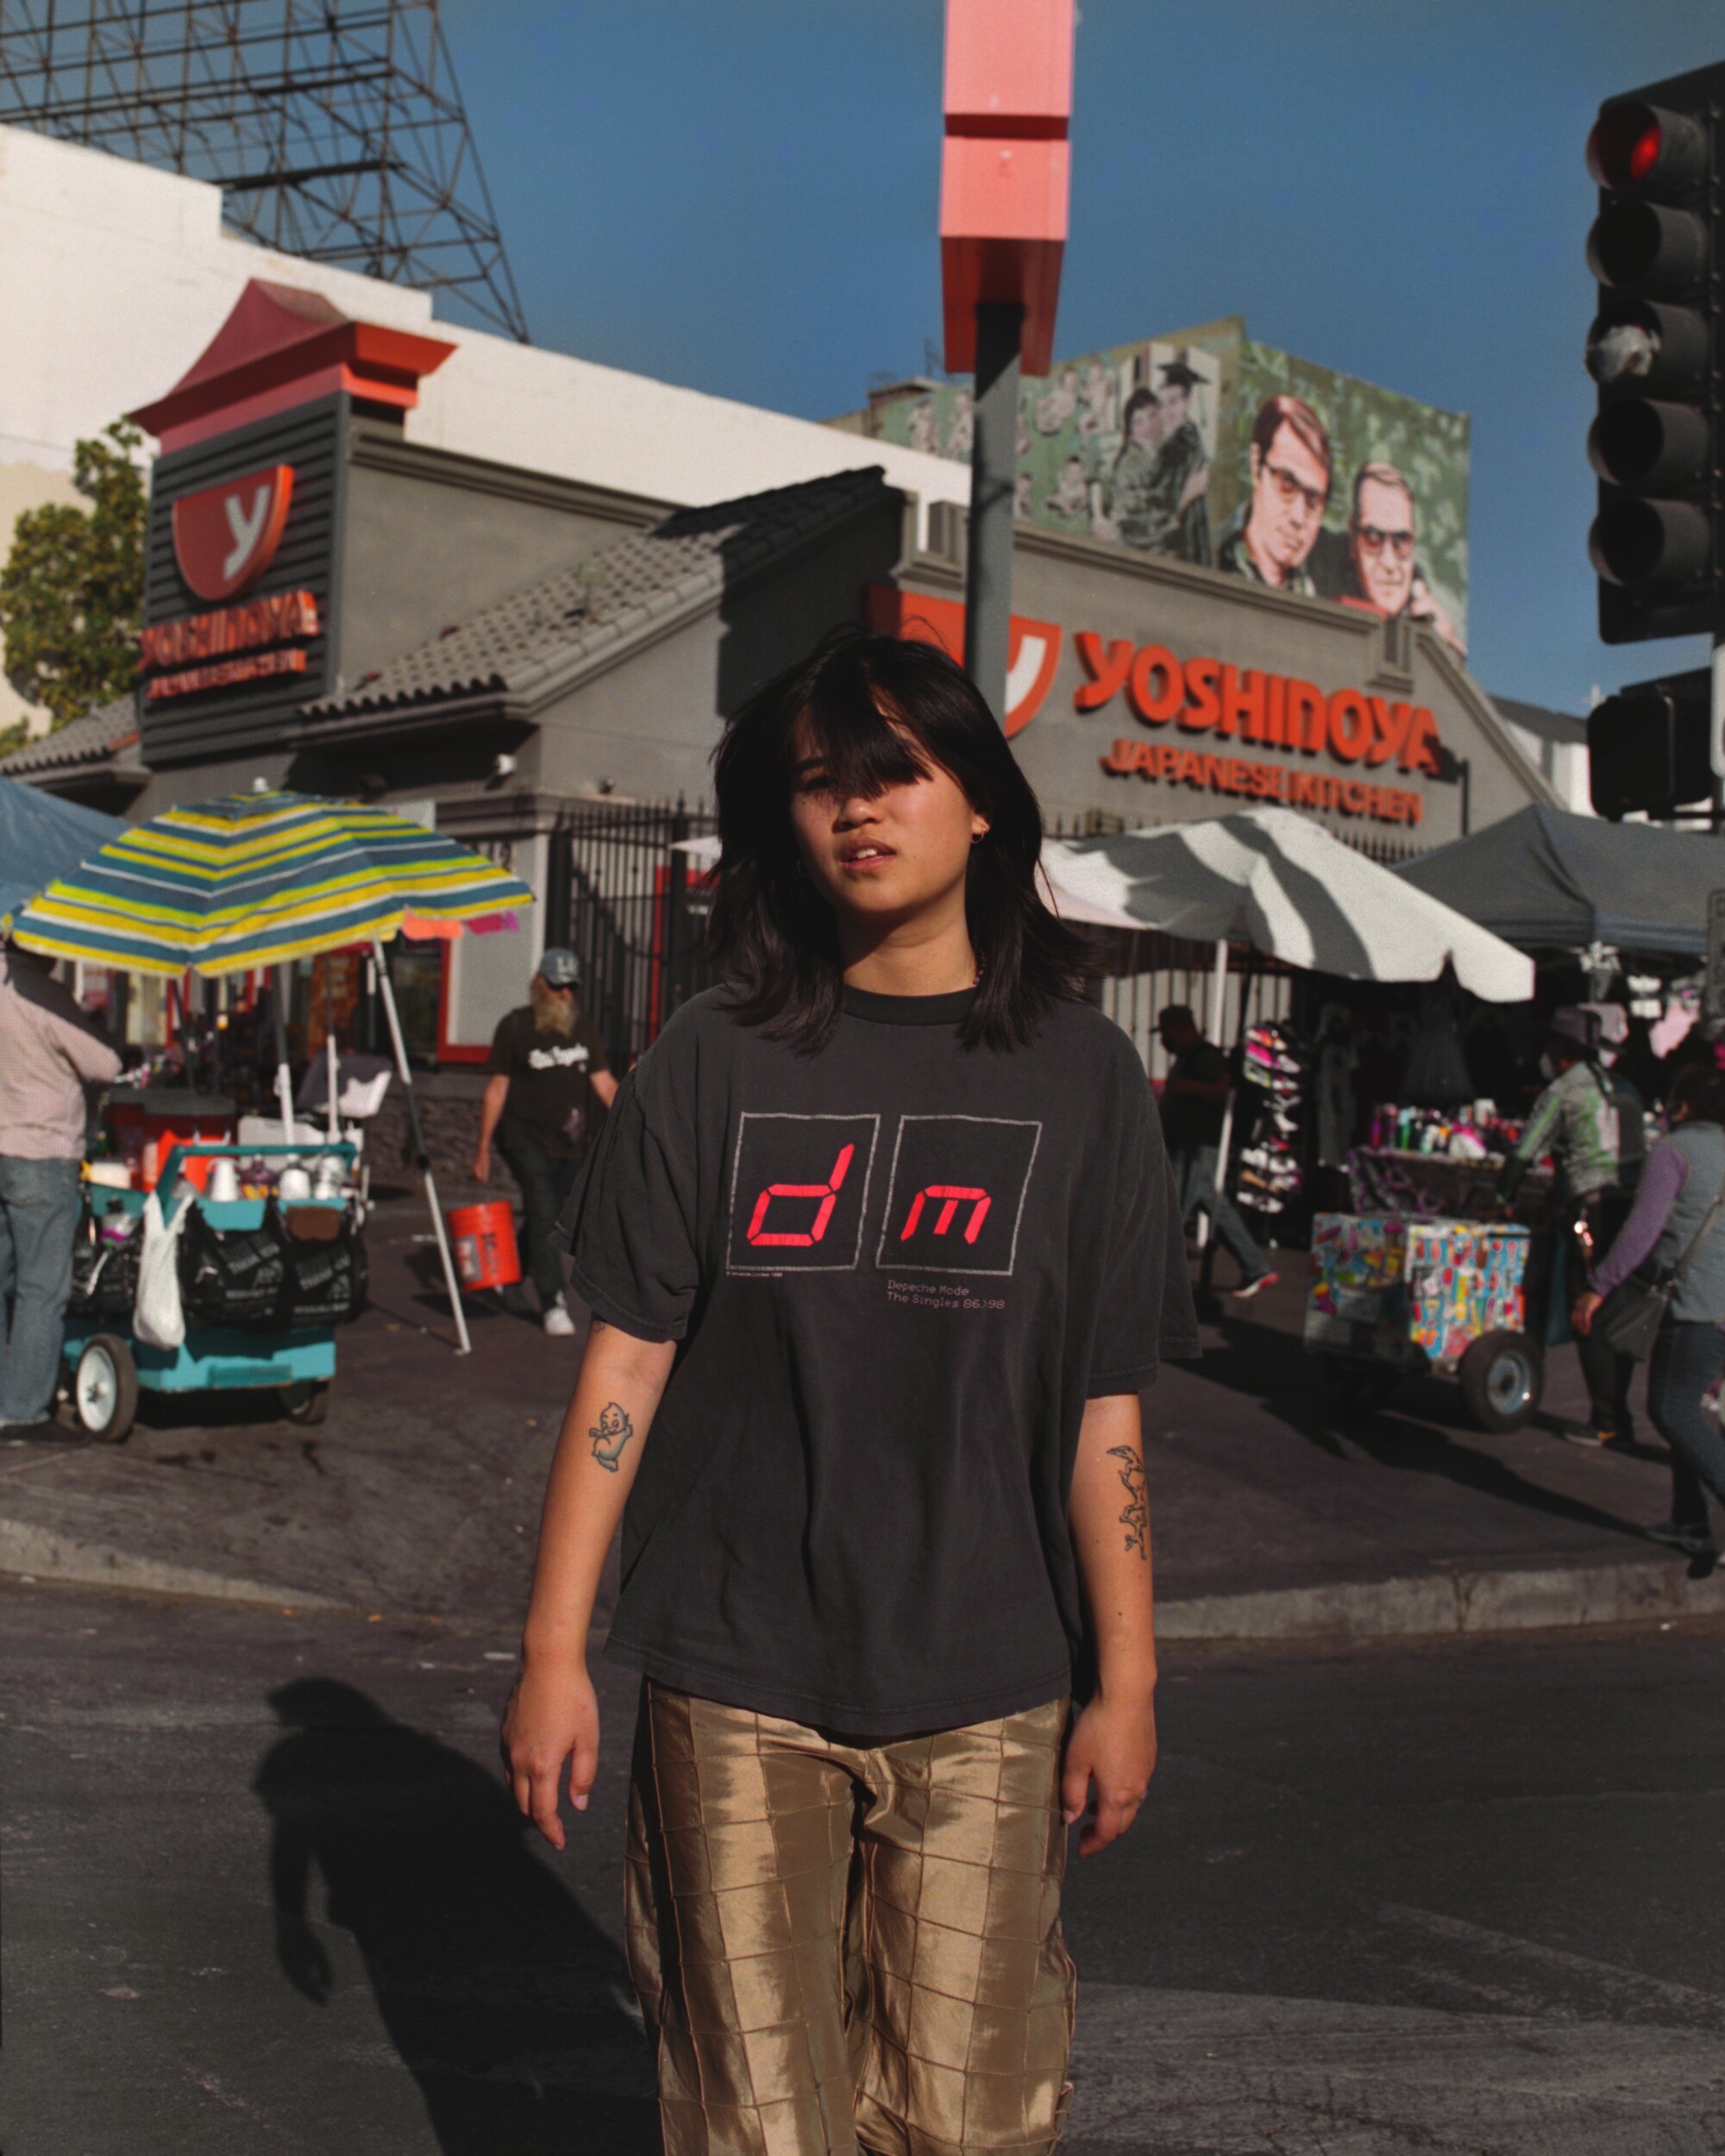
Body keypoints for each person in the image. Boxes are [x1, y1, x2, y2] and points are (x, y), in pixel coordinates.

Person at [502, 629, 1198, 2156]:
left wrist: (1129, 1681)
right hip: (735, 1672)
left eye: (897, 772)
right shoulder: (712, 1058)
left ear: (985, 805)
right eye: (822, 783)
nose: (858, 810)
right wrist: (556, 1650)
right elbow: (624, 1359)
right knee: (755, 2124)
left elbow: (1103, 1412)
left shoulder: (1083, 1083)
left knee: (969, 2121)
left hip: (994, 1684)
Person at [1573, 1064, 1725, 1561]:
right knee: (1693, 1410)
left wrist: (1599, 1285)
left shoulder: (1672, 1151)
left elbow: (1641, 1232)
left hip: (1693, 1309)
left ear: (1680, 1106)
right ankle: (1690, 1522)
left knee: (1671, 1408)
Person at [0, 939, 122, 1438]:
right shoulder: (39, 992)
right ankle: (22, 1409)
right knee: (40, 1289)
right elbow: (105, 1065)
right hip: (41, 1152)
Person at [1500, 1008, 1633, 1445]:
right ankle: (1619, 1416)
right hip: (1628, 1207)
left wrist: (1503, 1196)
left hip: (1591, 1212)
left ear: (1560, 1051)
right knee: (1617, 1307)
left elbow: (1526, 1151)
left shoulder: (1562, 1090)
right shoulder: (1617, 1085)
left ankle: (1605, 1420)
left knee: (1587, 1307)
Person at [472, 949, 617, 1338]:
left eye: (572, 987)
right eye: (558, 986)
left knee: (550, 1215)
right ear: (540, 984)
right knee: (541, 1210)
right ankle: (553, 1301)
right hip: (522, 1137)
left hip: (568, 1140)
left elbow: (604, 1083)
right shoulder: (515, 1026)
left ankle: (512, 1277)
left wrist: (635, 1116)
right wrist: (482, 1147)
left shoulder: (583, 1027)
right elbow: (497, 1089)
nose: (565, 994)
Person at [1156, 1004, 1278, 1300]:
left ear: (1181, 1028)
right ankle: (1256, 1267)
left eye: (1167, 1032)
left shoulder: (1204, 1056)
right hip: (1189, 1145)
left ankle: (1155, 1277)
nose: (1165, 1039)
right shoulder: (1189, 1056)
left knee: (1173, 1209)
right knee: (1212, 1206)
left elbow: (1222, 1092)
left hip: (1199, 1147)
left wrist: (1186, 1088)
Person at [1340, 461, 1466, 659]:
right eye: (1373, 538)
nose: (1390, 563)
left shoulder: (1427, 609)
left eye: (1401, 541)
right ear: (1353, 538)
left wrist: (1443, 652)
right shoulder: (1323, 569)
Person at [1216, 393, 1332, 593]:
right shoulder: (1207, 556)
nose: (1298, 517)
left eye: (1313, 500)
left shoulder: (1319, 591)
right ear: (1256, 465)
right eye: (1286, 483)